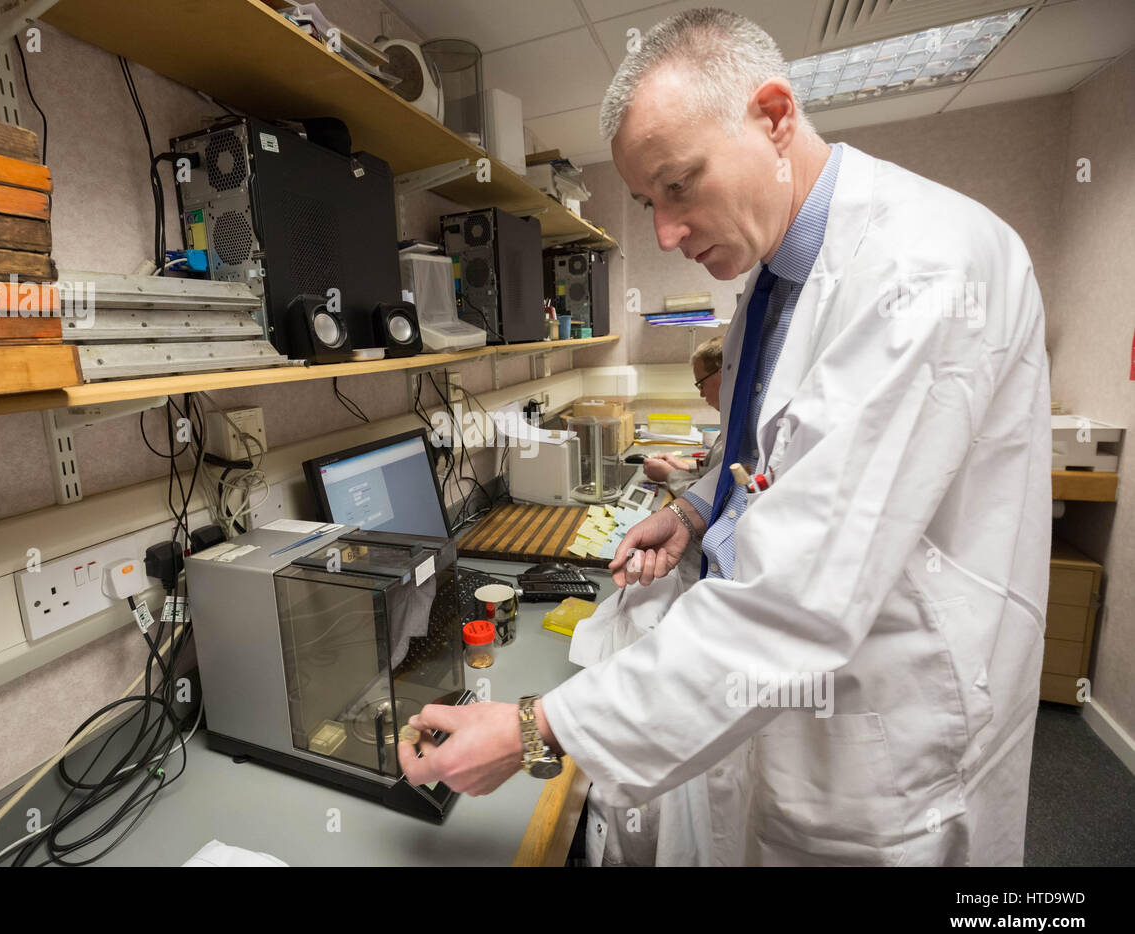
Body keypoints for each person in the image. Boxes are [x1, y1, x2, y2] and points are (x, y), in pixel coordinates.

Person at [399, 7, 1050, 866]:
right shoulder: (776, 283)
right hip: (778, 698)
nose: (666, 233)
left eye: (679, 185)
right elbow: (771, 453)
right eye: (645, 202)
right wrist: (700, 509)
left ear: (775, 118)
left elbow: (800, 598)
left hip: (885, 733)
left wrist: (533, 726)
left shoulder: (922, 271)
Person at [642, 335, 724, 496]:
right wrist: (684, 467)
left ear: (721, 374)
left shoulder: (742, 432)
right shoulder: (732, 421)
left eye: (702, 384)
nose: (701, 394)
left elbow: (709, 499)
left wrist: (669, 474)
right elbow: (714, 472)